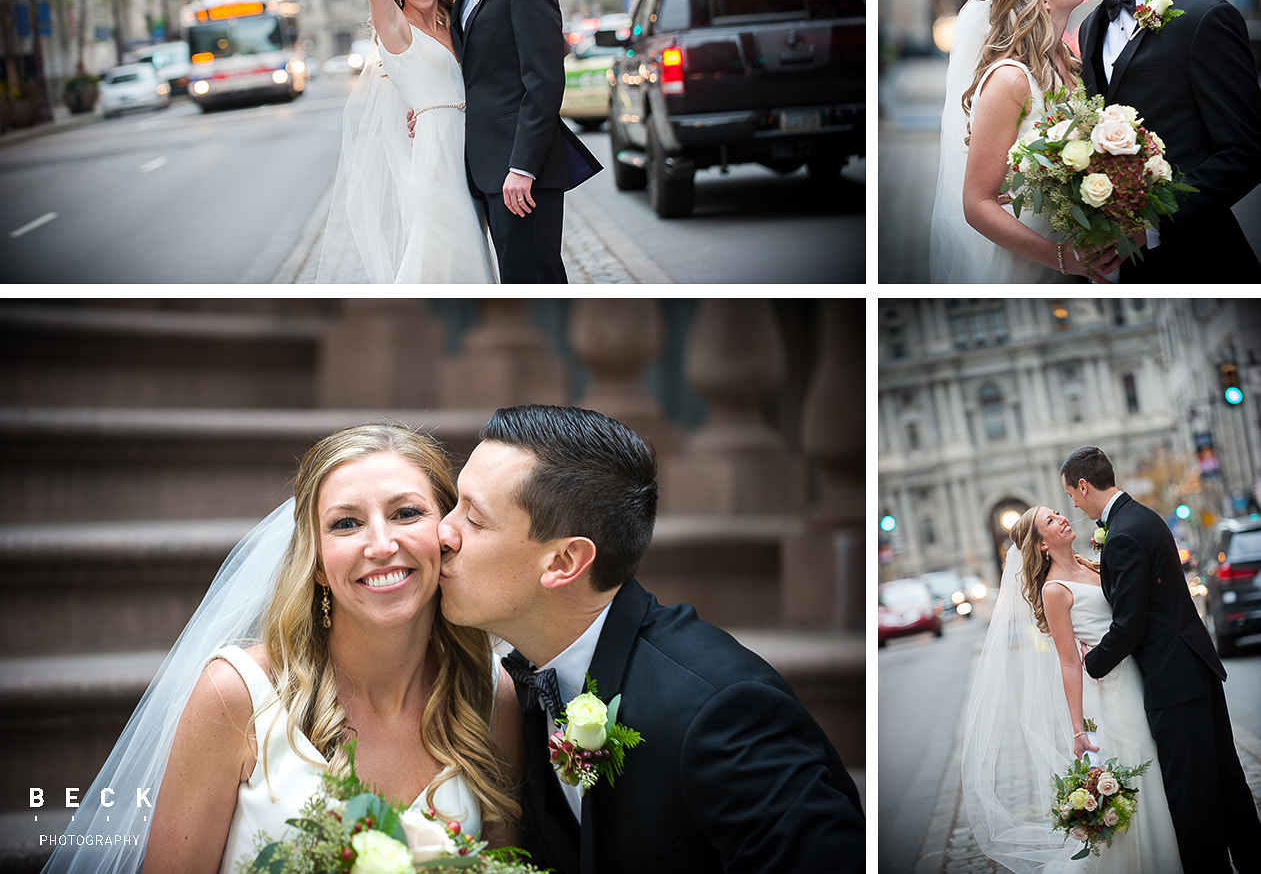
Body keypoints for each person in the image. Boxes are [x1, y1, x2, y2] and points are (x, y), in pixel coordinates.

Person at [44, 424, 522, 874]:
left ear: (446, 536)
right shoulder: (238, 695)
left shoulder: (487, 694)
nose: (380, 544)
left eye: (406, 513)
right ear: (316, 565)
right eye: (346, 523)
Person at [436, 404, 865, 874]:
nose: (442, 532)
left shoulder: (720, 710)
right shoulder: (517, 687)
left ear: (563, 562)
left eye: (473, 519)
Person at [1062, 446, 1261, 874]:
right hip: (1193, 667)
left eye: (1072, 495)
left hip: (1174, 681)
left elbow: (1130, 625)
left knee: (1192, 796)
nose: (1073, 505)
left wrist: (1091, 664)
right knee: (1226, 782)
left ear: (1083, 485)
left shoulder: (1122, 535)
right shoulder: (1142, 517)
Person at [1053, 0, 1261, 283]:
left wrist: (1151, 224)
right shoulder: (1094, 25)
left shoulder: (1206, 18)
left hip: (1202, 263)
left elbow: (1246, 152)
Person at [962, 499, 1183, 872]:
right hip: (1113, 687)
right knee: (1142, 762)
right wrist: (1078, 729)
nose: (1062, 518)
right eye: (1050, 520)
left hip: (1140, 672)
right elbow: (1068, 661)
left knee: (1160, 761)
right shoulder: (1054, 591)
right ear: (1042, 544)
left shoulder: (1088, 562)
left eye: (1058, 512)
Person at [314, 0, 497, 282]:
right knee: (449, 250)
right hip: (436, 157)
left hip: (473, 151)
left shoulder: (455, 22)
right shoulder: (395, 30)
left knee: (471, 251)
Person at [409, 0, 602, 284]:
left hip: (520, 171)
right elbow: (475, 76)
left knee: (533, 278)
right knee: (517, 280)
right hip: (485, 168)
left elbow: (545, 82)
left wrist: (522, 167)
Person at [930, 0, 1120, 283]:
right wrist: (1061, 257)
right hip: (1032, 268)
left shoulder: (1070, 63)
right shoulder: (1010, 80)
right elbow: (976, 204)